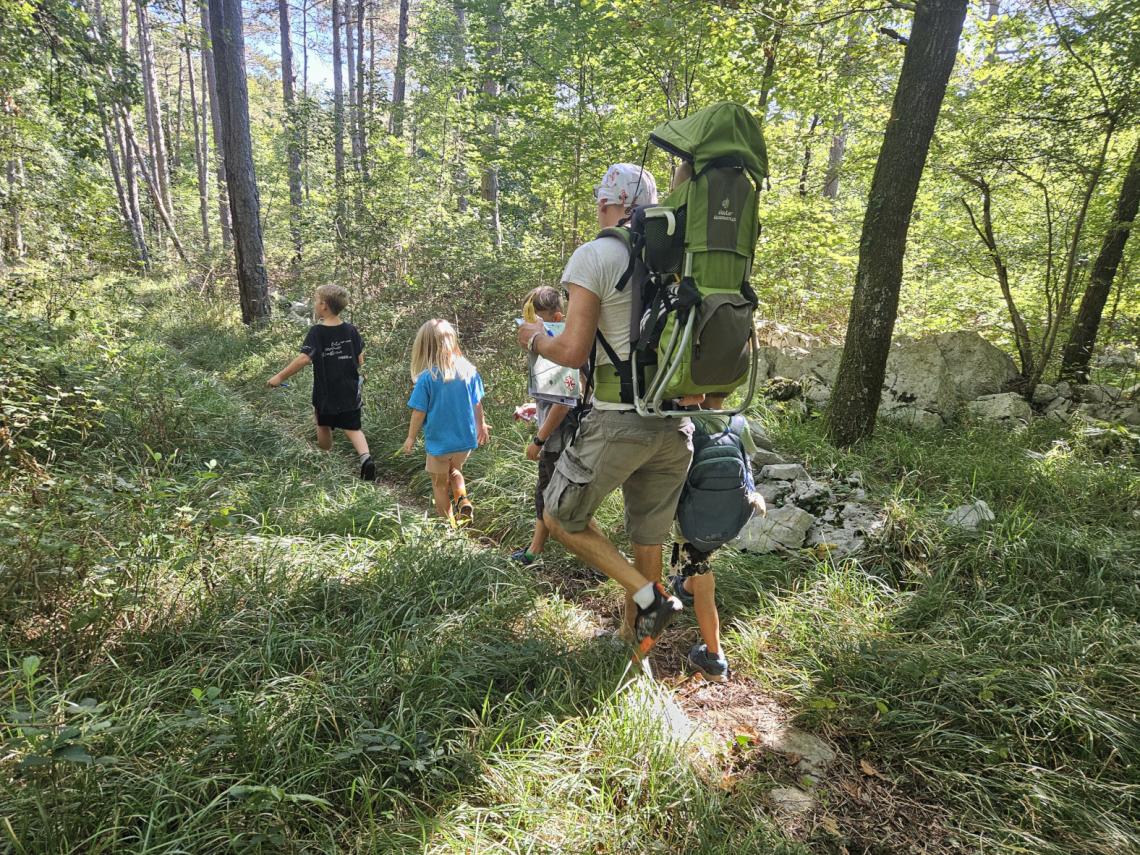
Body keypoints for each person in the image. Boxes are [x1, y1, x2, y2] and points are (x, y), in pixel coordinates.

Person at [516, 162, 693, 655]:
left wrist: (535, 338)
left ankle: (648, 596)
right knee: (648, 539)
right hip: (676, 424)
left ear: (606, 204)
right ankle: (634, 650)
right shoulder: (681, 259)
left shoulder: (595, 255)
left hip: (619, 420)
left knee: (558, 515)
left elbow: (572, 351)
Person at [669, 394, 766, 682]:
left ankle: (713, 657)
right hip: (728, 513)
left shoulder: (687, 422)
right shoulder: (737, 421)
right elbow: (748, 462)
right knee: (693, 565)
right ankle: (683, 587)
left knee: (702, 577)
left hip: (692, 516)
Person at [268, 284, 375, 481]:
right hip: (350, 389)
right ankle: (366, 459)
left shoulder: (317, 332)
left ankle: (326, 458)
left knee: (323, 424)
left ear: (324, 306)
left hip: (326, 391)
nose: (314, 304)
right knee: (353, 427)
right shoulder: (351, 330)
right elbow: (360, 360)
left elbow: (304, 358)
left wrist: (279, 377)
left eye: (316, 301)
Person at [402, 319, 491, 522]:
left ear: (424, 347)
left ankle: (449, 526)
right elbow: (477, 403)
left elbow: (418, 413)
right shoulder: (469, 371)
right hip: (464, 442)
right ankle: (463, 499)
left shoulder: (427, 378)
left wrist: (410, 438)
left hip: (439, 444)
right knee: (455, 470)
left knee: (439, 484)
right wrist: (481, 425)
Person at [512, 287, 575, 566]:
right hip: (554, 437)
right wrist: (534, 407)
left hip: (560, 440)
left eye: (532, 320)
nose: (525, 330)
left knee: (563, 504)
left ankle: (600, 561)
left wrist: (538, 440)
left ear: (556, 318)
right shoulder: (554, 346)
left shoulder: (557, 345)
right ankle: (534, 552)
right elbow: (555, 397)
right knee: (545, 494)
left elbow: (564, 401)